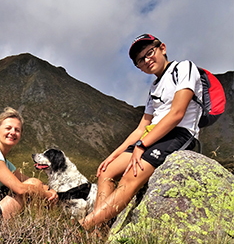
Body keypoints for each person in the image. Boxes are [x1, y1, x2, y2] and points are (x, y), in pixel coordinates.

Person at [79, 34, 202, 232]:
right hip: (152, 135)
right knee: (106, 172)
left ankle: (84, 227)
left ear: (162, 48)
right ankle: (100, 230)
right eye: (140, 60)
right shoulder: (154, 87)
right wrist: (113, 155)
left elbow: (177, 114)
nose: (146, 60)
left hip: (179, 133)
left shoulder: (184, 68)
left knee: (130, 176)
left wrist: (142, 146)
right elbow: (141, 127)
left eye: (149, 53)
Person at [0, 107, 58, 227]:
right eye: (8, 128)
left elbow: (26, 179)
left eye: (17, 130)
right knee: (31, 187)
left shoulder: (3, 161)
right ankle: (42, 228)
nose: (13, 132)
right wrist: (47, 195)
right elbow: (20, 188)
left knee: (35, 183)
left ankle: (42, 226)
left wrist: (49, 190)